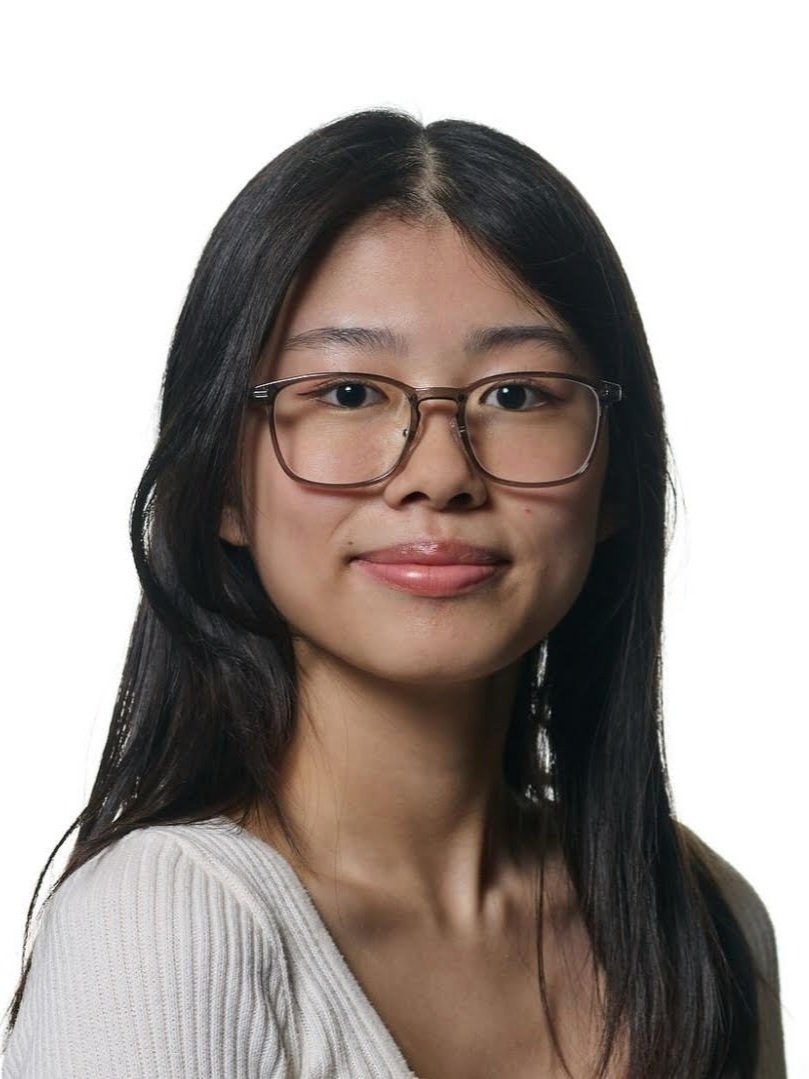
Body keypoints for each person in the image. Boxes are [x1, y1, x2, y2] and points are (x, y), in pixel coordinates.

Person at [1, 108, 785, 1079]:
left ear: (615, 479)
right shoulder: (165, 921)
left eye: (516, 393)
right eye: (347, 393)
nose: (439, 472)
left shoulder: (700, 917)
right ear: (223, 485)